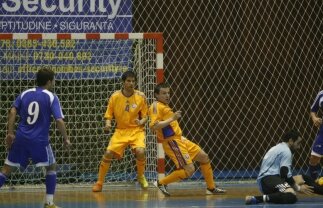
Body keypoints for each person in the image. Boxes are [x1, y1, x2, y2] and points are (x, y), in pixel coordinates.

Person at [0, 68, 71, 208]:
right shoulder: (51, 96)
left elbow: (12, 111)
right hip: (40, 141)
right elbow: (59, 120)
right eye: (54, 79)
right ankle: (49, 203)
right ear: (49, 81)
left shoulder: (25, 93)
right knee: (51, 167)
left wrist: (10, 133)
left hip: (21, 138)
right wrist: (66, 138)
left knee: (6, 170)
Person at [149, 82, 226, 196]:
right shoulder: (155, 106)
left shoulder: (164, 105)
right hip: (172, 142)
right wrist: (172, 118)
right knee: (190, 170)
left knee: (204, 157)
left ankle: (211, 188)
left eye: (168, 93)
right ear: (156, 95)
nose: (167, 95)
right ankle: (161, 183)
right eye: (164, 93)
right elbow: (154, 127)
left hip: (180, 139)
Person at [92, 71, 149, 192]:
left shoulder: (141, 96)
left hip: (136, 131)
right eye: (128, 81)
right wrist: (108, 125)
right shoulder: (115, 96)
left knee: (140, 151)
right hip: (120, 131)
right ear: (123, 82)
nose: (131, 83)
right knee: (108, 153)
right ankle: (99, 183)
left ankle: (140, 176)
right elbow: (108, 115)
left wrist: (141, 121)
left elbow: (145, 116)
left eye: (133, 81)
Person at [245, 129, 323, 205]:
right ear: (291, 140)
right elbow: (284, 173)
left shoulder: (280, 147)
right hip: (268, 180)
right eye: (298, 143)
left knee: (304, 178)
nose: (299, 147)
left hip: (272, 179)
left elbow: (284, 175)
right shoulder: (286, 151)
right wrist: (298, 188)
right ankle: (257, 199)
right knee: (291, 196)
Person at [309, 90, 323, 180]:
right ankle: (314, 180)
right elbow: (313, 110)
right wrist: (314, 118)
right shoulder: (321, 94)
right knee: (314, 157)